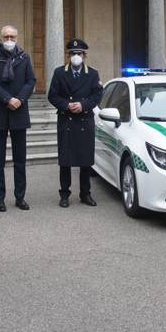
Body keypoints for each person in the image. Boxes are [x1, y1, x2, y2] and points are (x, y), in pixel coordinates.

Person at [0, 25, 36, 212]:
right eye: (6, 36)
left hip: (19, 113)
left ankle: (20, 197)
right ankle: (0, 198)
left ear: (17, 38)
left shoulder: (24, 57)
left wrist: (19, 99)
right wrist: (7, 99)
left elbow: (31, 80)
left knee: (20, 159)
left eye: (12, 36)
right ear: (1, 37)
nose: (9, 40)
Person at [48, 38, 103, 208]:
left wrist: (83, 105)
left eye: (79, 53)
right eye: (73, 54)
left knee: (85, 160)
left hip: (85, 120)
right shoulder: (59, 73)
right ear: (68, 55)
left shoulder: (93, 74)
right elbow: (52, 95)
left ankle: (85, 194)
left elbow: (97, 95)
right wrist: (66, 105)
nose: (76, 56)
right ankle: (64, 194)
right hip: (67, 120)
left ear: (84, 56)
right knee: (65, 160)